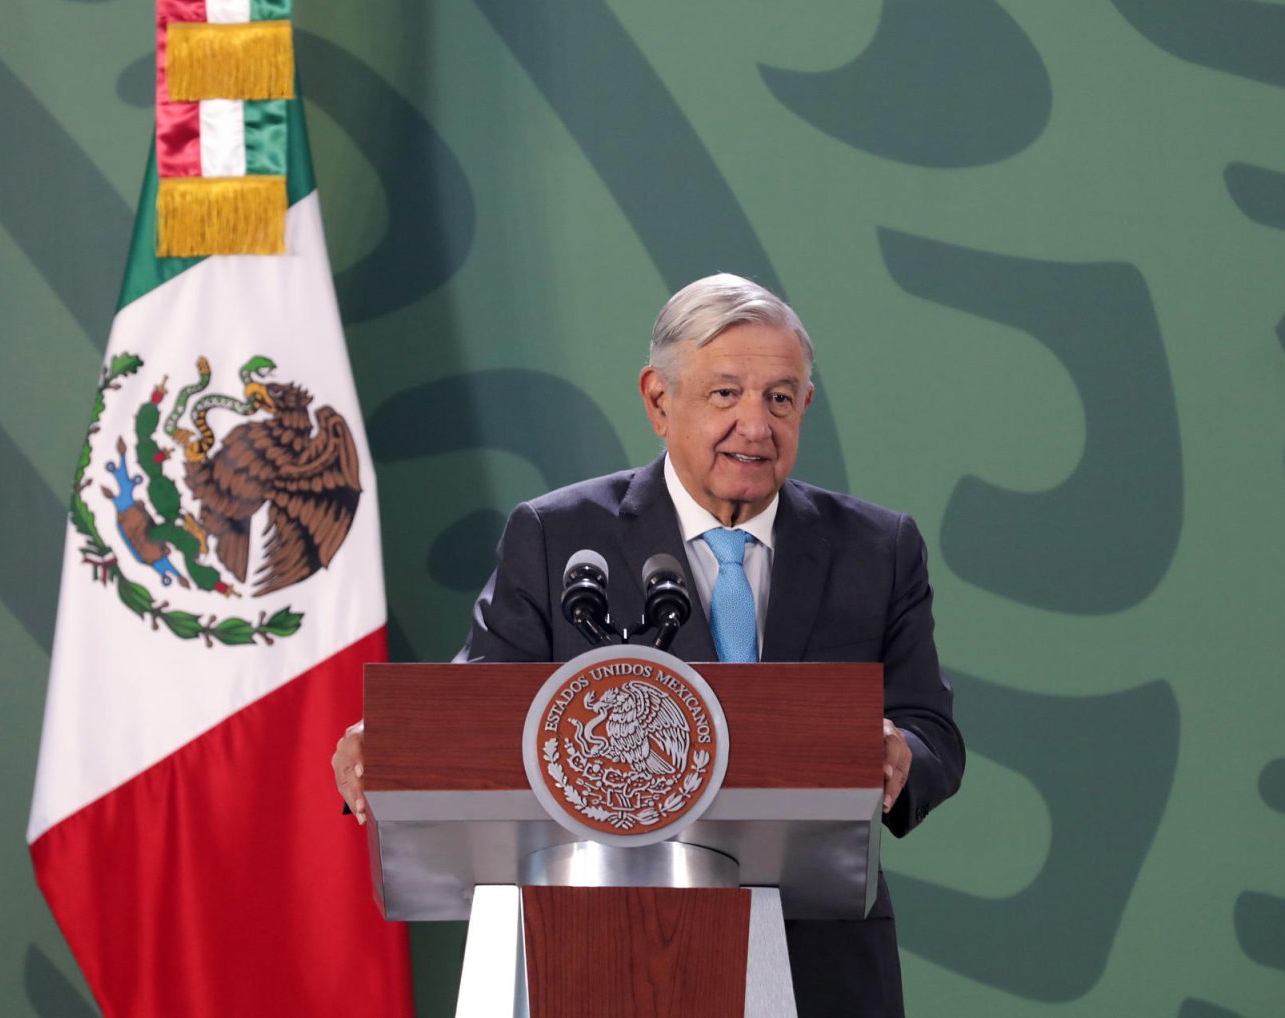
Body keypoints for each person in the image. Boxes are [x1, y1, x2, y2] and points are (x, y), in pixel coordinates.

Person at [334, 273, 965, 1016]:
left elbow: (932, 733)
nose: (756, 426)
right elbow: (483, 712)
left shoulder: (877, 547)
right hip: (597, 953)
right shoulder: (558, 536)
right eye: (725, 394)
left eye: (781, 397)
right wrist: (404, 748)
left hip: (817, 960)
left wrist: (899, 757)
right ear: (659, 401)